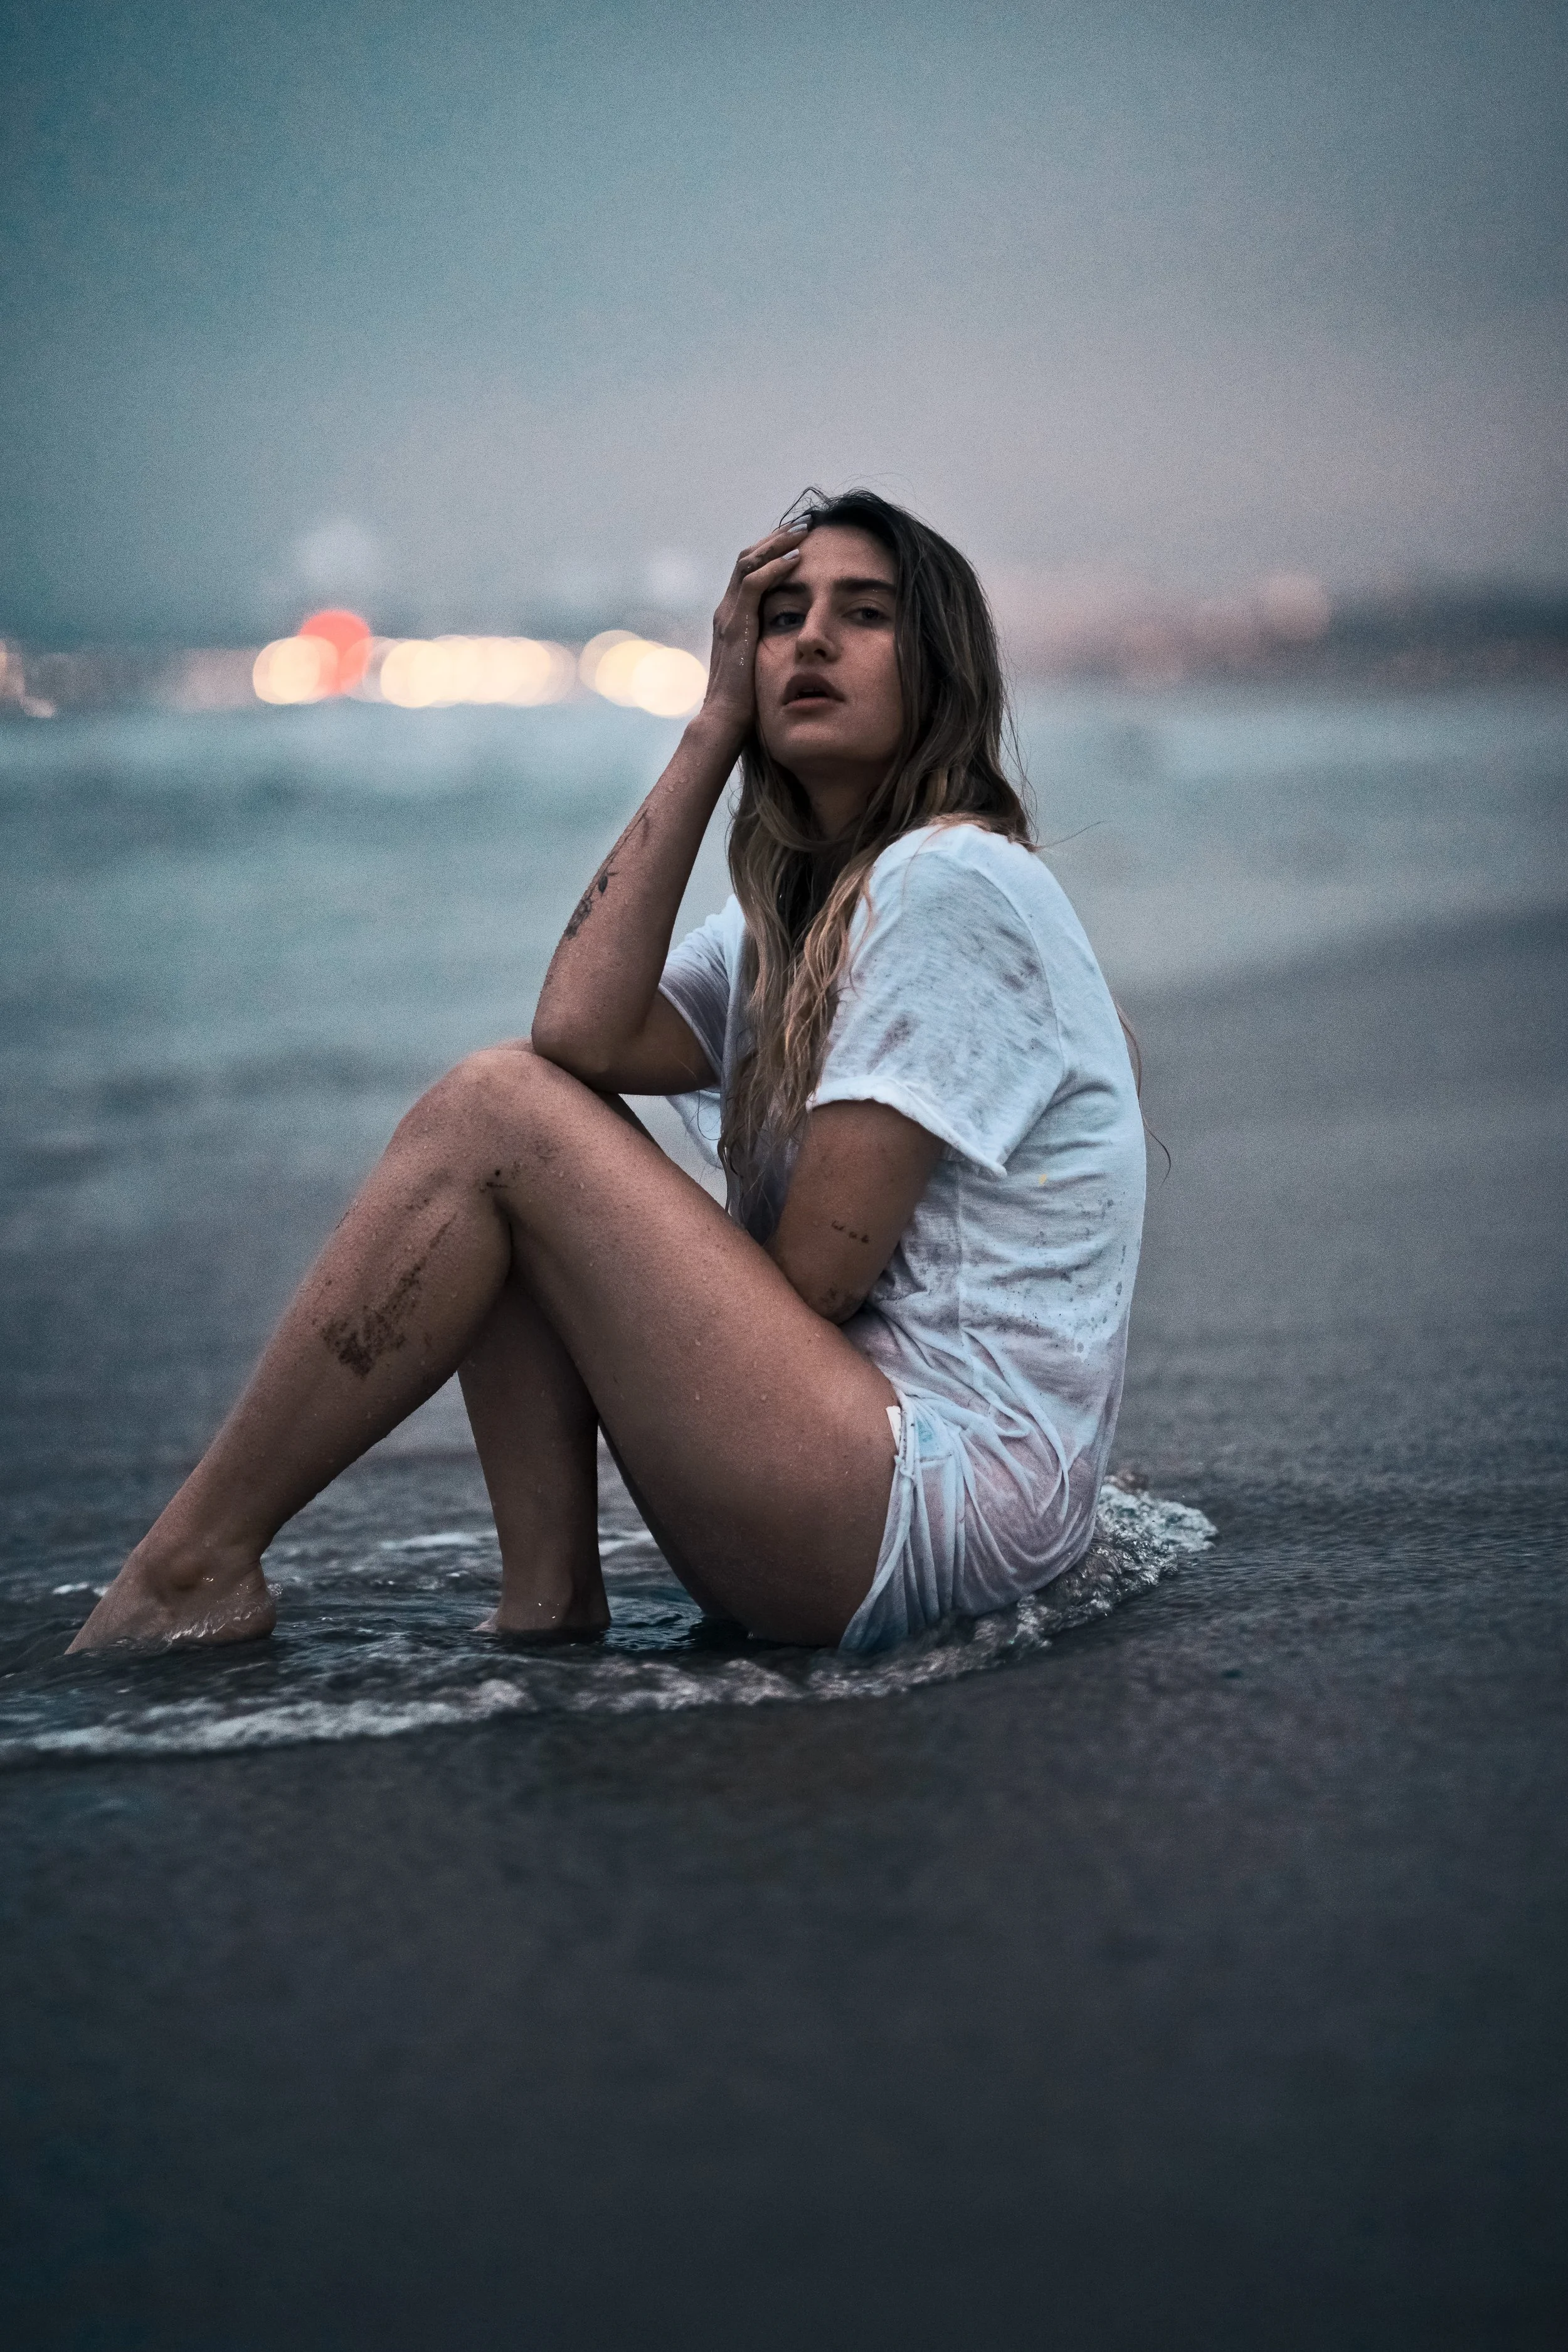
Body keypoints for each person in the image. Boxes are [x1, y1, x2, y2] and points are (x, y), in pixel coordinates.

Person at [69, 490, 1146, 1660]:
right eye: (781, 618)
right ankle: (549, 1600)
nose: (813, 640)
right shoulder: (793, 925)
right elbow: (577, 1031)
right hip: (848, 1496)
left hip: (932, 1514)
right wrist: (707, 726)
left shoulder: (949, 883)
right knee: (528, 1133)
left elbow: (820, 1282)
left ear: (939, 666)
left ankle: (195, 1561)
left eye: (865, 613)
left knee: (500, 1118)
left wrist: (614, 1243)